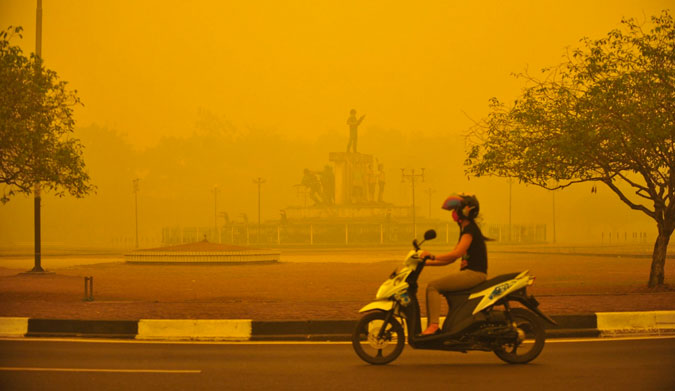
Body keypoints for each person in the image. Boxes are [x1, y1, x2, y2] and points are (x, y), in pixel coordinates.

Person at [419, 193, 489, 335]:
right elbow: (450, 259)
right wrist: (425, 263)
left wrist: (431, 255)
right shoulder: (465, 230)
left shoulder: (469, 230)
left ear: (465, 211)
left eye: (455, 210)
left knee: (433, 287)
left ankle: (433, 326)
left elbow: (456, 254)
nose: (453, 213)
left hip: (474, 274)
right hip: (470, 273)